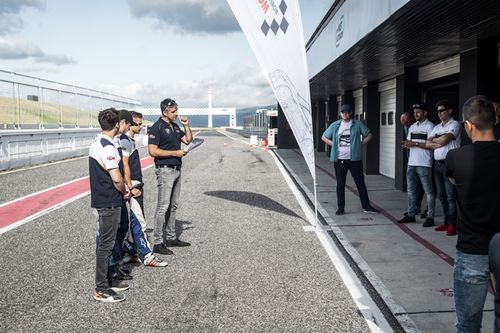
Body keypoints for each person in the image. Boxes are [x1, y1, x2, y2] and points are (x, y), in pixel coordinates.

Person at [446, 95, 500, 332]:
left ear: (468, 125)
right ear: (495, 120)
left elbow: (453, 180)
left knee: (468, 324)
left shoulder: (456, 157)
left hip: (471, 250)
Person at [89, 108, 131, 303]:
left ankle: (107, 280)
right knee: (105, 245)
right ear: (116, 125)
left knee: (108, 242)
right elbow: (116, 178)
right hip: (109, 200)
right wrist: (125, 191)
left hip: (104, 198)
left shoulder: (99, 141)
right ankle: (101, 288)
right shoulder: (107, 146)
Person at [119, 111, 168, 267]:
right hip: (132, 186)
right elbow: (125, 165)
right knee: (139, 222)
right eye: (137, 124)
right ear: (128, 124)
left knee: (128, 223)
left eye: (141, 123)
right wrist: (131, 186)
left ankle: (130, 252)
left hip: (134, 184)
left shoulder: (129, 140)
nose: (140, 126)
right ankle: (147, 256)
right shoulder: (125, 141)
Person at [148, 98, 193, 255]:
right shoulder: (156, 127)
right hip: (165, 170)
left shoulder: (174, 126)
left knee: (173, 205)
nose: (176, 114)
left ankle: (171, 237)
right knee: (163, 206)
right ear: (165, 112)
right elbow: (153, 151)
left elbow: (188, 140)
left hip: (177, 168)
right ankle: (158, 242)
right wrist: (175, 153)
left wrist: (186, 125)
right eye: (173, 112)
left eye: (176, 111)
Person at [321, 104, 379, 215]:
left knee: (360, 183)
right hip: (339, 160)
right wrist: (333, 145)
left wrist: (360, 144)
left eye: (347, 112)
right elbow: (324, 137)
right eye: (343, 112)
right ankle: (340, 208)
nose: (345, 114)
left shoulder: (357, 124)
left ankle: (366, 206)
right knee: (340, 184)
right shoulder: (335, 125)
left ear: (351, 113)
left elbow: (369, 135)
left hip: (354, 160)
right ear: (340, 113)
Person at [424, 100, 461, 236]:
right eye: (438, 111)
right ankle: (446, 222)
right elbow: (427, 143)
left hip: (450, 163)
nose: (439, 113)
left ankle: (453, 224)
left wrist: (437, 140)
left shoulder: (455, 124)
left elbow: (446, 140)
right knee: (442, 196)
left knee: (451, 196)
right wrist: (439, 140)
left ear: (449, 111)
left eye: (442, 110)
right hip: (437, 164)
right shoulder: (437, 127)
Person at [398, 103, 436, 227]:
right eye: (414, 112)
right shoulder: (413, 127)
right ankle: (411, 214)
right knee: (410, 191)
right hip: (411, 163)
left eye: (418, 112)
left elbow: (431, 145)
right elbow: (410, 142)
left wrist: (415, 144)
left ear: (425, 113)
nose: (415, 114)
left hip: (424, 163)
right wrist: (406, 144)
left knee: (429, 192)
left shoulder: (431, 127)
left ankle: (430, 217)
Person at [400, 112, 426, 218]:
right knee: (412, 186)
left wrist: (413, 144)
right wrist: (406, 144)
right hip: (411, 158)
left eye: (406, 123)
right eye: (403, 123)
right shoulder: (407, 128)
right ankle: (414, 208)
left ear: (411, 120)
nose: (405, 125)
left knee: (423, 186)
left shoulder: (418, 127)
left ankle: (420, 208)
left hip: (422, 160)